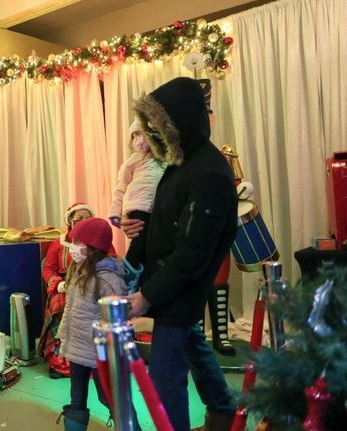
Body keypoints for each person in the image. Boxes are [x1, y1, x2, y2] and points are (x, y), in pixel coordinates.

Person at [121, 77, 237, 431]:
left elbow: (193, 252)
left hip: (181, 287)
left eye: (159, 125)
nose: (152, 133)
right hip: (172, 283)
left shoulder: (208, 171)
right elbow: (170, 218)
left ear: (179, 122)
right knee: (194, 348)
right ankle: (223, 410)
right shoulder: (181, 163)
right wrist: (137, 226)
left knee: (165, 374)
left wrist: (147, 296)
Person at [56, 218, 141, 431]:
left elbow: (118, 318)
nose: (73, 248)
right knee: (77, 399)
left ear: (92, 247)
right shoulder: (79, 271)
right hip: (77, 349)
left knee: (111, 399)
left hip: (100, 355)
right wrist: (62, 336)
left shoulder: (108, 279)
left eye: (78, 242)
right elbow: (71, 308)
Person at [39, 202, 93, 378]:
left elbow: (111, 262)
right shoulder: (59, 243)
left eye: (88, 218)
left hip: (92, 286)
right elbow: (48, 268)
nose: (84, 221)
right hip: (64, 287)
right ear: (70, 221)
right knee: (59, 307)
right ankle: (59, 361)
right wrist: (58, 284)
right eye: (79, 219)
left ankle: (90, 359)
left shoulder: (98, 239)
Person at [109, 119, 165, 268]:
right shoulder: (132, 161)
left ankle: (139, 275)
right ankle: (129, 271)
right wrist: (116, 213)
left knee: (151, 245)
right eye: (135, 135)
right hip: (137, 206)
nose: (139, 139)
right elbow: (120, 188)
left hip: (157, 208)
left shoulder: (166, 160)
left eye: (142, 133)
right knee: (139, 241)